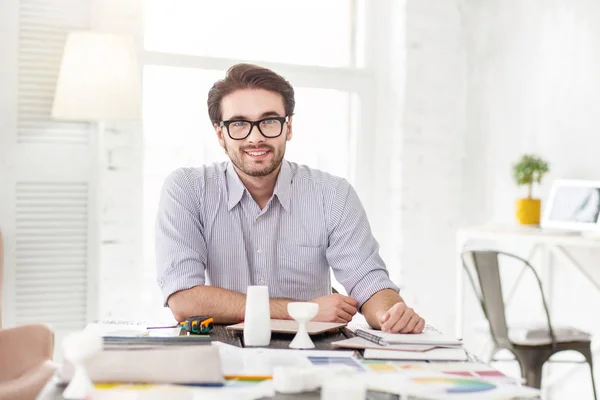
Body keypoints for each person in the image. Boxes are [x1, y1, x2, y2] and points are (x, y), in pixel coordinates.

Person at [155, 63, 424, 334]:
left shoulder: (332, 195)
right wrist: (302, 310)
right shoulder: (187, 190)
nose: (256, 137)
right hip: (221, 349)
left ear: (289, 127)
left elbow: (368, 281)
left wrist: (391, 314)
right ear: (220, 134)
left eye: (269, 121)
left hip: (314, 355)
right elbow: (184, 299)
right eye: (239, 124)